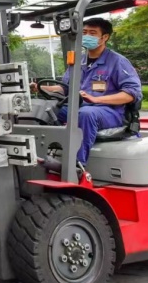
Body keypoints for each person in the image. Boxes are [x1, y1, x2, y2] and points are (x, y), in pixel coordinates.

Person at [39, 18, 142, 169]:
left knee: (86, 114)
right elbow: (65, 88)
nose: (87, 36)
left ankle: (76, 166)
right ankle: (41, 156)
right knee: (45, 109)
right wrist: (41, 88)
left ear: (104, 37)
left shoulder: (117, 61)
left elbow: (131, 94)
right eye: (85, 32)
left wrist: (96, 99)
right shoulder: (78, 61)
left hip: (111, 112)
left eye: (92, 33)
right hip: (80, 107)